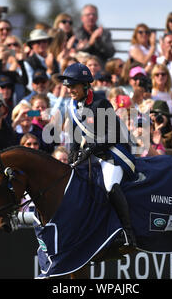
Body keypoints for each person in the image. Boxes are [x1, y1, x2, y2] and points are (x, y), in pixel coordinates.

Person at [58, 62, 137, 250]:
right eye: (68, 86)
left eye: (73, 86)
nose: (69, 90)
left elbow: (115, 134)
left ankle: (128, 232)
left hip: (113, 153)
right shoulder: (72, 105)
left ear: (85, 85)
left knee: (110, 186)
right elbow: (75, 133)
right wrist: (73, 153)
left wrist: (92, 148)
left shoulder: (101, 103)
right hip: (92, 154)